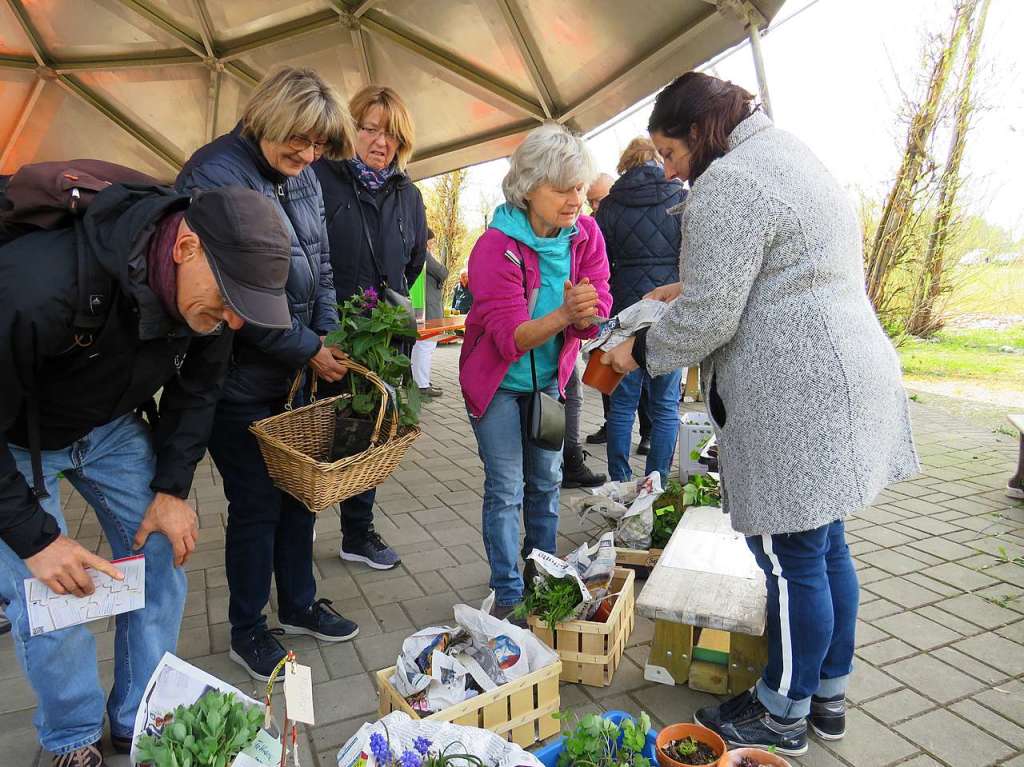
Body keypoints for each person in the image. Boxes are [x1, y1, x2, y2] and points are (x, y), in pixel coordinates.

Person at [603, 72, 919, 755]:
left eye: (669, 151)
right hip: (844, 377)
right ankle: (826, 696)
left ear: (698, 132)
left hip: (795, 397)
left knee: (786, 559)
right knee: (825, 546)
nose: (667, 168)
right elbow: (772, 267)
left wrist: (638, 351)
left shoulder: (728, 183)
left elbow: (713, 317)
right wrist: (682, 288)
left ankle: (781, 713)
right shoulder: (787, 155)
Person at [0, 182, 293, 767]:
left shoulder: (210, 311)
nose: (235, 321)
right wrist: (37, 540)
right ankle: (72, 735)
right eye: (232, 297)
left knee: (162, 551)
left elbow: (199, 390)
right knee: (47, 594)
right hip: (17, 437)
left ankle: (138, 715)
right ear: (185, 246)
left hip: (109, 426)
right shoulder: (34, 285)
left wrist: (171, 489)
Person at [177, 66, 360, 683]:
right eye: (298, 141)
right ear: (269, 118)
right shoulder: (212, 174)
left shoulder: (304, 177)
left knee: (302, 492)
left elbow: (323, 265)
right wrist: (306, 346)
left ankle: (301, 604)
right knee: (255, 502)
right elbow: (225, 294)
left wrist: (330, 336)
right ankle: (248, 629)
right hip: (237, 378)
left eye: (317, 146)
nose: (307, 156)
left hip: (299, 373)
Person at [460, 123, 611, 620]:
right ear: (528, 187)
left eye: (580, 187)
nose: (576, 199)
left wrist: (588, 316)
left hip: (549, 383)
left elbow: (600, 300)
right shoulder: (494, 248)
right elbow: (510, 338)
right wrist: (566, 314)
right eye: (562, 188)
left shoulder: (585, 234)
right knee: (506, 489)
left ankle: (543, 576)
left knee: (546, 483)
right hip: (498, 386)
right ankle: (508, 593)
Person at [314, 85, 428, 571]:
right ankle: (300, 525)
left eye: (392, 135)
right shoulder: (320, 180)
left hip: (384, 335)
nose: (381, 142)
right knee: (318, 429)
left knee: (369, 428)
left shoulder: (409, 196)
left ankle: (357, 533)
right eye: (370, 128)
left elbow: (415, 261)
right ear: (350, 129)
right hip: (329, 331)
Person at [596, 137, 686, 484]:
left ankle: (619, 480)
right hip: (668, 310)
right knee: (665, 406)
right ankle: (656, 482)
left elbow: (600, 265)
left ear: (625, 163)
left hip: (624, 313)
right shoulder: (680, 198)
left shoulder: (609, 205)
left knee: (621, 405)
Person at [411, 229, 448, 397]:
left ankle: (421, 380)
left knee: (424, 345)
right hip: (427, 308)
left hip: (423, 305)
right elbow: (442, 272)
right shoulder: (423, 254)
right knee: (425, 345)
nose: (432, 245)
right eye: (431, 242)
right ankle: (422, 384)